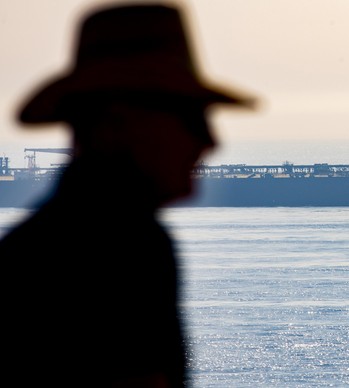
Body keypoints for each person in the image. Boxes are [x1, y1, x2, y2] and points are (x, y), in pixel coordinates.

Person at [0, 2, 254, 387]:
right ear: (116, 123)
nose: (209, 141)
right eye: (190, 117)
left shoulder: (38, 249)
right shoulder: (122, 251)